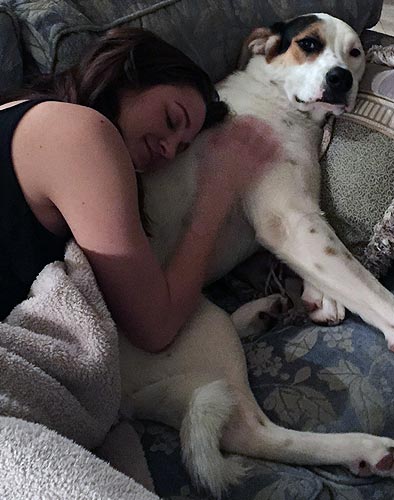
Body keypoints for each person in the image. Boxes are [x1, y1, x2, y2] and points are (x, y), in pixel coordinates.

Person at [0, 27, 281, 351]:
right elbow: (154, 328)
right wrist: (218, 193)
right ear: (129, 74)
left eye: (182, 148)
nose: (168, 149)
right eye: (172, 119)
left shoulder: (21, 111)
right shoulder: (80, 133)